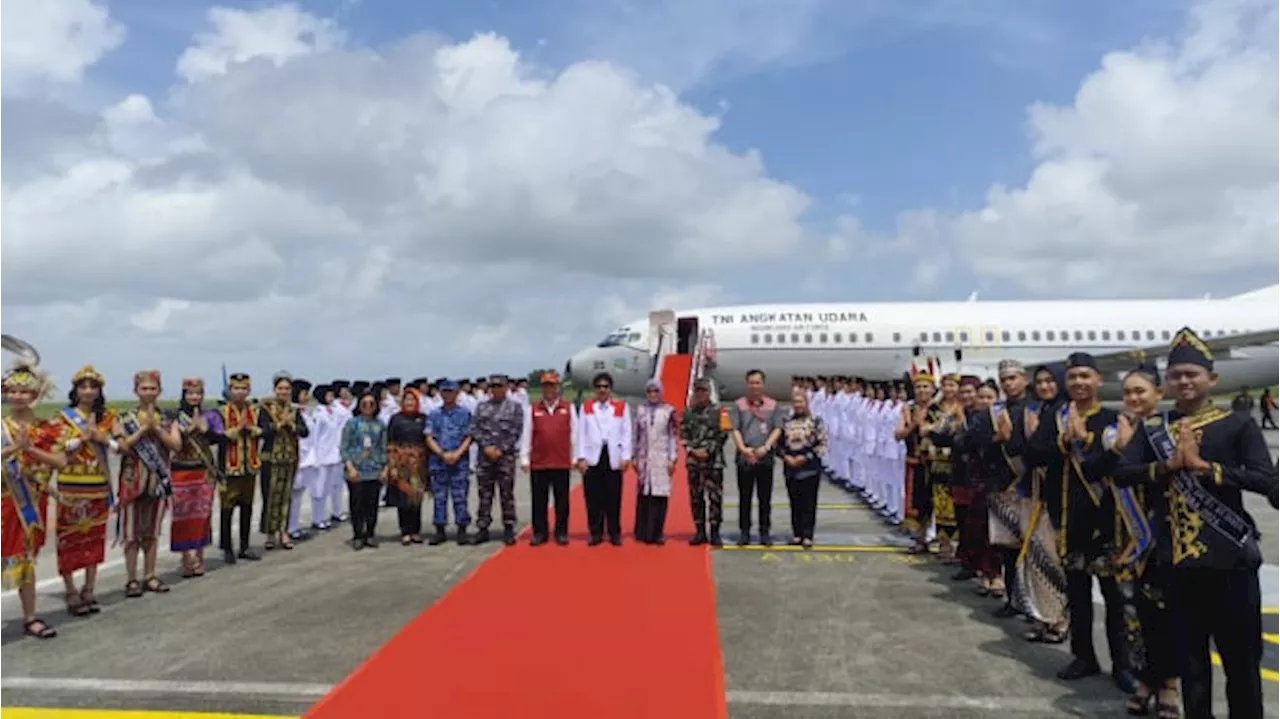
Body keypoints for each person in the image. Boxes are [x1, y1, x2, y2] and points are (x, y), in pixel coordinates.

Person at [1116, 328, 1280, 719]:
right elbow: (1123, 474)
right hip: (1177, 564)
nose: (1184, 381)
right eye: (1176, 376)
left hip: (1231, 562)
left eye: (1192, 374)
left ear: (1212, 379)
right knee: (1191, 669)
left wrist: (1210, 470)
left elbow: (1266, 481)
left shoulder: (1237, 424)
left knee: (1241, 664)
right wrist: (1166, 467)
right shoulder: (1155, 429)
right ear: (1166, 384)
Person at [1027, 352, 1135, 693]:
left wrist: (1086, 441)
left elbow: (1118, 465)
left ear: (1098, 380)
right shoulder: (1055, 418)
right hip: (1068, 515)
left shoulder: (1112, 420)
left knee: (1115, 597)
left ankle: (1123, 664)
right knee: (1077, 593)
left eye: (1085, 376)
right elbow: (1034, 455)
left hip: (1106, 518)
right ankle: (1083, 656)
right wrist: (1063, 442)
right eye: (1072, 377)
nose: (1078, 383)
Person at [1111, 363, 1179, 716]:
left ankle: (1169, 684)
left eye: (1141, 391)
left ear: (1158, 393)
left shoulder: (1168, 430)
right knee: (1135, 613)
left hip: (1163, 532)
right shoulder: (1116, 428)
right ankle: (1144, 679)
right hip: (1125, 532)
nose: (1134, 398)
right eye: (1128, 392)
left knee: (1167, 612)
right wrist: (1116, 449)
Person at [0, 359, 67, 639]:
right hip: (3, 499)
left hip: (29, 504)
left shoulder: (47, 428)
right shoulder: (1, 428)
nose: (16, 396)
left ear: (36, 395)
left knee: (27, 561)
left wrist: (31, 450)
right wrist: (15, 447)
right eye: (11, 390)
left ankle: (30, 616)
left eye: (23, 391)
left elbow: (60, 461)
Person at [54, 365, 117, 617]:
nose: (88, 391)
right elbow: (59, 447)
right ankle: (70, 591)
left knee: (94, 538)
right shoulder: (63, 417)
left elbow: (119, 446)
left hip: (97, 485)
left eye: (93, 386)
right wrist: (82, 437)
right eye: (83, 386)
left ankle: (89, 588)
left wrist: (103, 438)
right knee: (68, 538)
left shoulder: (108, 417)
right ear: (76, 390)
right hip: (70, 484)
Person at [1016, 363, 1070, 645]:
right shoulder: (1041, 412)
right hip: (1037, 492)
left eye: (1051, 381)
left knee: (1053, 558)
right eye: (1040, 382)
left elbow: (1042, 452)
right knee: (1036, 557)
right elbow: (1027, 452)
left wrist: (1035, 439)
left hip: (1060, 496)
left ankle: (1059, 619)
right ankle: (1042, 615)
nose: (1046, 386)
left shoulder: (1065, 413)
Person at [116, 370, 182, 597]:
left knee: (152, 532)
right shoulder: (125, 417)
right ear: (136, 391)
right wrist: (144, 430)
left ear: (159, 391)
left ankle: (150, 575)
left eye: (153, 388)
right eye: (144, 388)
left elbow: (176, 445)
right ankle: (131, 578)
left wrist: (157, 429)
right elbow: (122, 447)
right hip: (132, 480)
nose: (148, 392)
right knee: (131, 534)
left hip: (157, 481)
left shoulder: (168, 417)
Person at [170, 377, 224, 578]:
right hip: (180, 471)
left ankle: (199, 557)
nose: (194, 397)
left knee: (202, 516)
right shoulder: (174, 416)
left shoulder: (210, 415)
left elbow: (220, 437)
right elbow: (171, 442)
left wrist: (205, 430)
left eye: (198, 393)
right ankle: (186, 559)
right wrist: (188, 431)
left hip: (203, 470)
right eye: (190, 393)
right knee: (182, 516)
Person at [519, 371, 576, 546]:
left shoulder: (568, 408)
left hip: (561, 461)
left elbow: (575, 434)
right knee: (539, 501)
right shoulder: (533, 409)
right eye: (546, 386)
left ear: (558, 387)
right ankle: (540, 532)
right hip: (539, 462)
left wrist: (575, 457)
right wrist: (524, 458)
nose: (549, 389)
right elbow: (527, 434)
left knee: (562, 501)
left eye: (552, 386)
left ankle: (561, 532)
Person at [575, 372, 631, 546]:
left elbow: (626, 433)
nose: (602, 390)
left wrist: (625, 456)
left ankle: (614, 532)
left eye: (605, 387)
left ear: (610, 389)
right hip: (593, 456)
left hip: (612, 455)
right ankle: (595, 532)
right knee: (593, 498)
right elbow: (580, 433)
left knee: (613, 497)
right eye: (599, 387)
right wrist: (581, 457)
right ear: (595, 389)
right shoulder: (587, 407)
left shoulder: (621, 407)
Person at [729, 369, 782, 547]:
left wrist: (766, 447)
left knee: (764, 497)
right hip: (745, 457)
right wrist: (743, 449)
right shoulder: (739, 405)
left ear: (763, 384)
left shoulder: (772, 405)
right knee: (745, 497)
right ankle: (744, 531)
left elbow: (777, 428)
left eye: (757, 382)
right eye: (751, 382)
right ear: (746, 384)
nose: (754, 386)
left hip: (764, 456)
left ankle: (764, 531)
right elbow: (735, 429)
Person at [470, 373, 524, 546]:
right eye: (493, 386)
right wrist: (486, 446)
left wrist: (501, 449)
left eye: (500, 386)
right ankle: (483, 527)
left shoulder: (515, 407)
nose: (496, 389)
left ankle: (508, 527)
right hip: (485, 457)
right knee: (484, 493)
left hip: (505, 457)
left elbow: (516, 430)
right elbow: (475, 429)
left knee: (506, 493)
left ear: (506, 387)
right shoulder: (481, 407)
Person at [217, 372, 265, 564]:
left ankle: (244, 545)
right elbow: (217, 436)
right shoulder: (221, 412)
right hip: (230, 466)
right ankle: (227, 547)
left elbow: (264, 431)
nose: (240, 392)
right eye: (236, 388)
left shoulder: (255, 411)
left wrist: (252, 430)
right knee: (227, 508)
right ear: (230, 390)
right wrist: (238, 430)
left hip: (250, 466)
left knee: (247, 507)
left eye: (243, 388)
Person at [258, 373, 309, 551]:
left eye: (287, 389)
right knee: (270, 496)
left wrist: (292, 426)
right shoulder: (265, 407)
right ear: (274, 389)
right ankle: (270, 534)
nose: (284, 392)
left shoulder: (294, 410)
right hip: (271, 458)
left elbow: (305, 431)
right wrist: (278, 425)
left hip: (289, 458)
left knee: (286, 496)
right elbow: (261, 430)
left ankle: (284, 531)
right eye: (280, 388)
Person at [681, 377, 728, 547]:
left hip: (713, 461)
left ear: (709, 392)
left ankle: (715, 532)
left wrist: (708, 450)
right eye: (698, 390)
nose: (700, 394)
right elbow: (683, 435)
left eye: (704, 390)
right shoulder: (687, 412)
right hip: (694, 462)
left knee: (715, 498)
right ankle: (699, 531)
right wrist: (693, 450)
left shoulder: (720, 411)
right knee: (696, 497)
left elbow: (724, 434)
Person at [425, 379, 473, 545]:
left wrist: (458, 453)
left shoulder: (464, 413)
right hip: (439, 460)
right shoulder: (434, 414)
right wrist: (442, 453)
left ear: (457, 393)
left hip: (459, 460)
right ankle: (440, 529)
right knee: (439, 497)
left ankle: (462, 529)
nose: (447, 395)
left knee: (460, 496)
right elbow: (429, 436)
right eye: (444, 391)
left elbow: (469, 436)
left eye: (451, 391)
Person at [779, 390, 827, 548]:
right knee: (795, 503)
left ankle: (808, 534)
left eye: (801, 402)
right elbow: (779, 444)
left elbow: (822, 444)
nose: (798, 405)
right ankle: (797, 533)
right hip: (791, 468)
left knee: (809, 503)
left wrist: (805, 457)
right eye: (796, 402)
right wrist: (786, 457)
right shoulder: (786, 421)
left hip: (809, 468)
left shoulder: (815, 421)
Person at [633, 378, 678, 545]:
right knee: (644, 494)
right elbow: (636, 435)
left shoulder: (669, 411)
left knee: (659, 495)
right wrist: (634, 456)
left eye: (655, 391)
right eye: (649, 391)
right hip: (645, 457)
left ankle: (657, 532)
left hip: (661, 456)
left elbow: (673, 436)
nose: (652, 394)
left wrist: (672, 458)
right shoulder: (640, 410)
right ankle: (642, 532)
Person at [341, 391, 387, 549]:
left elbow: (384, 448)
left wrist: (385, 469)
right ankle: (358, 534)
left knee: (372, 504)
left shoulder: (380, 425)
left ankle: (370, 533)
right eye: (364, 404)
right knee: (357, 504)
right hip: (356, 470)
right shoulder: (352, 424)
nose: (368, 407)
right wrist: (350, 467)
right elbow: (344, 447)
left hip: (374, 470)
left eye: (371, 404)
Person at [387, 389, 428, 545]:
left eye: (412, 400)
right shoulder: (396, 419)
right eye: (406, 400)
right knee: (403, 498)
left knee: (416, 497)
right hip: (401, 463)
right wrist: (392, 464)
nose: (409, 403)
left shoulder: (423, 418)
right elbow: (390, 442)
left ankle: (416, 531)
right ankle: (405, 531)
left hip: (418, 465)